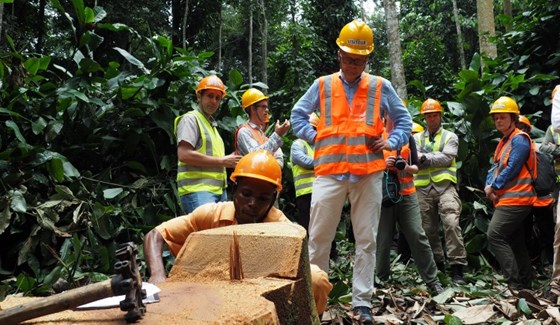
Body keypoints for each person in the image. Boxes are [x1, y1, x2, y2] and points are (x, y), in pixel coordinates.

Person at [290, 19, 412, 324]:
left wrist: (390, 141)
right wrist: (314, 136)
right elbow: (297, 115)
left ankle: (362, 303)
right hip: (329, 173)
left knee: (366, 239)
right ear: (338, 54)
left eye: (357, 61)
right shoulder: (323, 84)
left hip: (367, 174)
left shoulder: (380, 86)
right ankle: (314, 300)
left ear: (367, 58)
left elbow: (405, 122)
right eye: (346, 59)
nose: (351, 65)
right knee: (319, 239)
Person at [144, 150, 333, 314]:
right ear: (235, 189)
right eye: (246, 194)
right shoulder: (211, 215)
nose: (252, 204)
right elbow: (156, 235)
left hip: (260, 294)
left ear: (273, 198)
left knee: (316, 277)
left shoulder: (282, 229)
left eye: (262, 198)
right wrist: (157, 274)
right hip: (209, 291)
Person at [376, 115, 444, 294]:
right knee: (383, 238)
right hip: (384, 195)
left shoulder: (407, 136)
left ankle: (433, 281)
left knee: (417, 234)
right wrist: (384, 165)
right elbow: (366, 164)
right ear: (385, 116)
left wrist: (404, 167)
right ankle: (380, 278)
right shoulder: (377, 136)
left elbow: (415, 167)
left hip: (407, 194)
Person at [485, 96, 536, 290]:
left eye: (503, 117)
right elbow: (495, 167)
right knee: (515, 240)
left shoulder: (519, 139)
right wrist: (488, 186)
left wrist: (494, 186)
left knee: (494, 235)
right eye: (496, 117)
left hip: (518, 197)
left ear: (513, 118)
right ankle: (525, 282)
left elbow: (513, 168)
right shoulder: (503, 141)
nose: (498, 120)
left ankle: (514, 283)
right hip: (507, 198)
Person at [414, 98, 467, 284]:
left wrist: (424, 158)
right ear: (424, 118)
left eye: (435, 115)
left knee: (451, 223)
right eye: (428, 116)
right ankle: (438, 265)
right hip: (422, 188)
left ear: (440, 115)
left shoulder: (450, 136)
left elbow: (447, 157)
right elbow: (413, 158)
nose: (432, 119)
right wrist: (424, 158)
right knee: (427, 229)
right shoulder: (416, 138)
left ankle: (457, 268)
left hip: (445, 187)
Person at [174, 75, 242, 214]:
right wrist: (223, 160)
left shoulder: (212, 126)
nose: (214, 101)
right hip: (197, 192)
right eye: (210, 96)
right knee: (205, 234)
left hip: (218, 192)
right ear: (199, 96)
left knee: (215, 235)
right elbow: (184, 154)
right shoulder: (191, 119)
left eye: (218, 98)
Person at [290, 113, 338, 259]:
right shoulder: (297, 144)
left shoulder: (319, 147)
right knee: (307, 226)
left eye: (313, 129)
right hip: (305, 193)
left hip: (321, 191)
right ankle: (306, 259)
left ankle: (332, 256)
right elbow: (304, 161)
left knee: (327, 224)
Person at [516, 115, 555, 270]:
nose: (519, 130)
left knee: (547, 234)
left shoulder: (539, 149)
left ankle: (551, 267)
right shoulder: (507, 149)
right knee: (524, 235)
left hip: (540, 199)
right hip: (522, 199)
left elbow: (547, 175)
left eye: (522, 127)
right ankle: (529, 267)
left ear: (527, 130)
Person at [234, 88, 290, 167]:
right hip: (249, 178)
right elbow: (257, 157)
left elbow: (279, 160)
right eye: (263, 107)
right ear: (252, 108)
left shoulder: (261, 134)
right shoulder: (244, 132)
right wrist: (277, 135)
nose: (267, 110)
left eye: (267, 107)